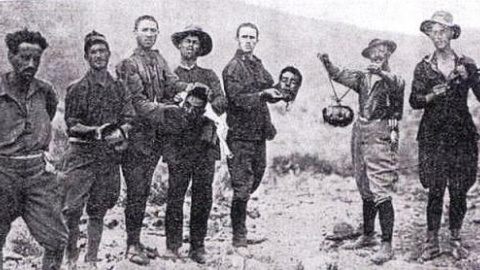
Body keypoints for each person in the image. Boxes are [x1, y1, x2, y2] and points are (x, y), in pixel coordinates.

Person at [115, 15, 194, 265]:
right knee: (137, 191)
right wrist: (170, 108)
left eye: (153, 31)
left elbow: (172, 82)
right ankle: (131, 245)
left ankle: (137, 241)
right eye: (145, 30)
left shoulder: (158, 59)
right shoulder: (128, 64)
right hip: (136, 137)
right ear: (135, 32)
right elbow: (138, 103)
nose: (149, 34)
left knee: (144, 189)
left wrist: (190, 89)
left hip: (154, 138)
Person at [318, 38, 405, 264]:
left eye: (382, 51)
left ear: (388, 55)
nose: (378, 55)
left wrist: (382, 74)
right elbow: (338, 75)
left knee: (381, 188)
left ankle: (386, 244)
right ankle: (368, 235)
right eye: (374, 52)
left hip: (382, 133)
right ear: (368, 55)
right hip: (360, 132)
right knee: (364, 184)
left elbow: (397, 85)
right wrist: (327, 62)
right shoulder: (362, 78)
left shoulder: (394, 79)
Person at [410, 11, 480, 261]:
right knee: (435, 189)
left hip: (461, 135)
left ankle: (455, 240)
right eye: (433, 31)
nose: (438, 36)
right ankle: (431, 243)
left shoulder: (467, 64)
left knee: (459, 189)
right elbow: (414, 100)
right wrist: (431, 96)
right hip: (433, 135)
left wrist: (471, 76)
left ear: (452, 33)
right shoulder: (423, 67)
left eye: (443, 31)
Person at [62, 31, 134, 269]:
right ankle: (70, 256)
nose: (99, 56)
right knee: (71, 209)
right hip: (81, 155)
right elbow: (72, 124)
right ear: (87, 57)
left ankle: (91, 259)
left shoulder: (119, 87)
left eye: (102, 51)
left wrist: (120, 131)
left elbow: (128, 117)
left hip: (108, 157)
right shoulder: (77, 88)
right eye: (93, 52)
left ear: (109, 54)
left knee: (98, 209)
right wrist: (95, 131)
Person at [0, 29, 67, 270]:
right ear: (10, 56)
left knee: (57, 240)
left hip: (38, 174)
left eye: (36, 59)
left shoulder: (45, 90)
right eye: (24, 57)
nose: (31, 64)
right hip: (4, 173)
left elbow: (48, 114)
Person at [162, 25, 227, 264]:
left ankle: (197, 246)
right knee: (175, 195)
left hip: (204, 145)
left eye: (195, 43)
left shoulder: (209, 75)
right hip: (178, 144)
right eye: (187, 41)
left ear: (201, 49)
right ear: (179, 45)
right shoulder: (170, 75)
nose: (191, 45)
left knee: (203, 196)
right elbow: (162, 103)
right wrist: (179, 102)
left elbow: (222, 101)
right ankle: (172, 245)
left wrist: (208, 102)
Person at [222, 22, 283, 257]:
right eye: (244, 37)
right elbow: (237, 99)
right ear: (237, 39)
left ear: (257, 40)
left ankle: (242, 232)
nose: (248, 41)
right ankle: (239, 239)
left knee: (256, 176)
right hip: (239, 135)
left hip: (258, 134)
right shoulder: (232, 68)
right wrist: (263, 94)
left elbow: (269, 86)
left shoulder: (257, 64)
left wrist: (285, 88)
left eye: (252, 37)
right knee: (241, 188)